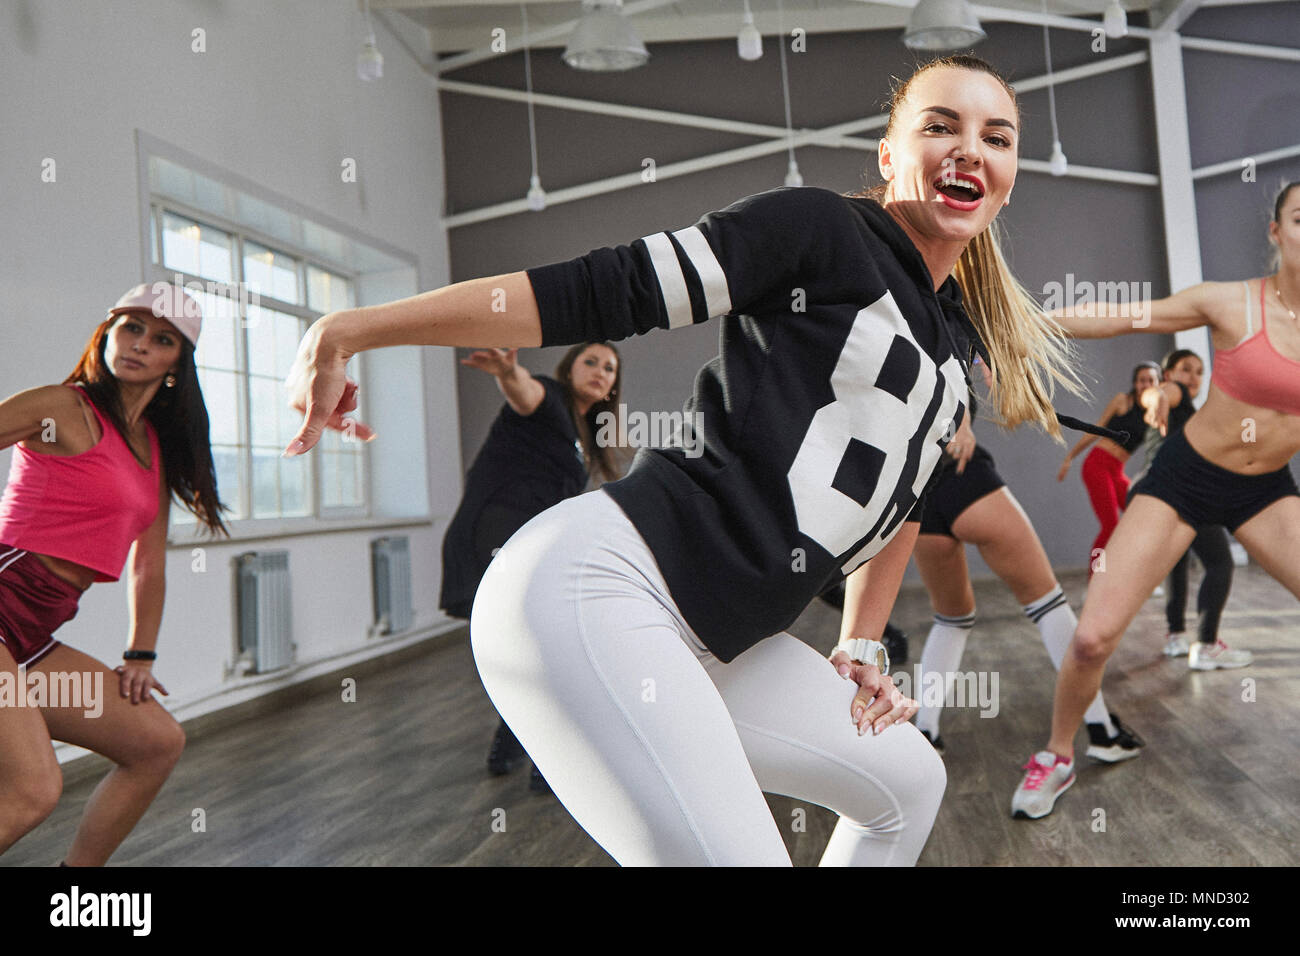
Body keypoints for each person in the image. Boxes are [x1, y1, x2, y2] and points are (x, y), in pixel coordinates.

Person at [286, 55, 1101, 866]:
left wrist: (859, 644)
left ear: (1010, 173)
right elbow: (609, 288)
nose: (970, 150)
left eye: (996, 138)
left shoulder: (955, 340)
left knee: (908, 784)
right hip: (598, 587)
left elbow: (905, 500)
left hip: (724, 637)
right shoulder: (821, 229)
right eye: (939, 127)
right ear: (889, 156)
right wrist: (351, 331)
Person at [1013, 181, 1300, 819]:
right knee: (1093, 639)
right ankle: (1058, 754)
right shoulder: (1230, 303)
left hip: (1267, 490)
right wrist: (1023, 323)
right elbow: (1126, 315)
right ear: (1276, 232)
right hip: (1186, 476)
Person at [0, 283, 227, 864]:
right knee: (33, 790)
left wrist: (140, 656)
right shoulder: (60, 407)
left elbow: (148, 563)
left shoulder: (151, 447)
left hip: (31, 635)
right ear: (106, 332)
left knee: (156, 743)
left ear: (178, 363)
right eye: (130, 328)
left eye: (161, 339)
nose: (139, 345)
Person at [911, 362, 1142, 761]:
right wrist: (965, 420)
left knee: (951, 617)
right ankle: (1102, 729)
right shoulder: (946, 319)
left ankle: (925, 730)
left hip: (917, 499)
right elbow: (950, 380)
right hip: (966, 480)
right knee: (1049, 603)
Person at [439, 343, 624, 789]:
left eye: (610, 368)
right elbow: (523, 391)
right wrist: (507, 371)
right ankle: (539, 751)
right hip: (497, 541)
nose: (600, 372)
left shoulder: (585, 434)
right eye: (591, 361)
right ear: (569, 368)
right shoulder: (548, 396)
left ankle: (523, 744)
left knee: (543, 647)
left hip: (529, 548)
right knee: (551, 642)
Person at [1137, 350, 1244, 668]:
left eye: (1199, 371)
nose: (1193, 377)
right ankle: (1207, 644)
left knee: (1178, 564)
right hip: (1185, 494)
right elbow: (1158, 394)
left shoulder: (1189, 411)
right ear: (1168, 375)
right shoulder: (1175, 394)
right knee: (1220, 562)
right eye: (1185, 370)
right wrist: (1156, 396)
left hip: (1161, 494)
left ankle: (1175, 637)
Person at [1057, 362, 1162, 570]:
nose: (1146, 384)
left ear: (1158, 383)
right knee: (1110, 526)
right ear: (1135, 383)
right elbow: (1096, 429)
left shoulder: (1155, 413)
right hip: (1097, 464)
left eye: (1151, 380)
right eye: (1142, 380)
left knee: (1139, 519)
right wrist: (1071, 456)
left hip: (1117, 471)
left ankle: (1132, 576)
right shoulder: (1123, 401)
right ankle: (1094, 581)